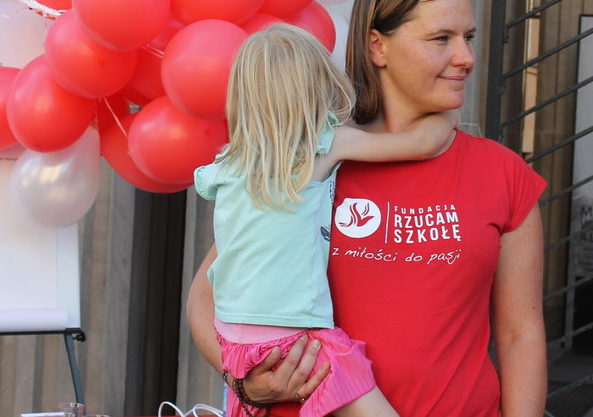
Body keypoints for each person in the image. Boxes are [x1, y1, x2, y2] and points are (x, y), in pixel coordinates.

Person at [187, 0, 548, 416]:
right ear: (377, 46)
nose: (466, 57)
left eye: (468, 37)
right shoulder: (306, 161)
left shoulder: (503, 174)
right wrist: (243, 381)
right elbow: (208, 297)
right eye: (441, 38)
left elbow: (521, 334)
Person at [194, 23, 457, 417]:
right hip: (297, 337)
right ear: (319, 87)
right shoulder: (322, 145)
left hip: (235, 343)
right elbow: (422, 144)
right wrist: (448, 113)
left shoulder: (227, 165)